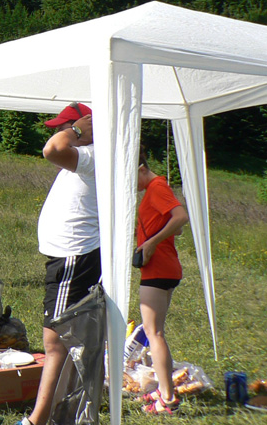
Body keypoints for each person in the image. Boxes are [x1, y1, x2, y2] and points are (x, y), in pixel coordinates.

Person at [18, 102, 100, 425]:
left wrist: (78, 130)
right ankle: (60, 413)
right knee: (63, 342)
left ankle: (38, 420)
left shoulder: (91, 154)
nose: (61, 132)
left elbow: (51, 149)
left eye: (65, 126)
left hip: (73, 258)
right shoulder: (84, 158)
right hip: (68, 258)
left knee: (56, 342)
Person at [135, 151, 189, 416]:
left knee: (154, 333)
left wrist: (151, 242)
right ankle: (163, 388)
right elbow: (175, 227)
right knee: (156, 332)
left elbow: (181, 217)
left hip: (158, 268)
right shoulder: (157, 188)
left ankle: (168, 399)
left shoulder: (156, 187)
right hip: (166, 266)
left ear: (141, 168)